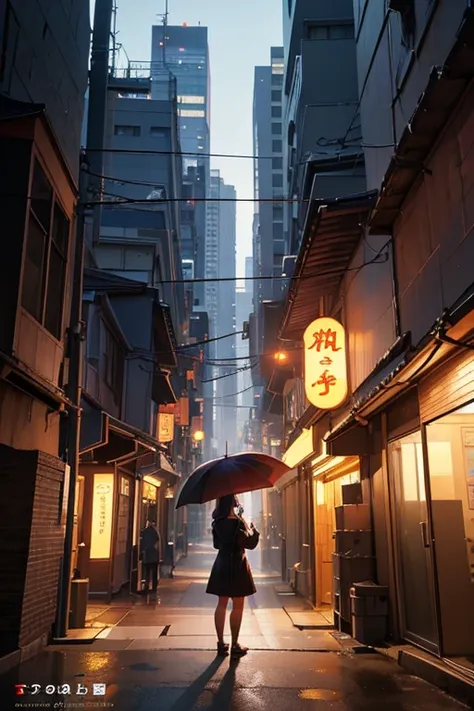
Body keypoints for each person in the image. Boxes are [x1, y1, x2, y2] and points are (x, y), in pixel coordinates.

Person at [206, 494, 260, 658]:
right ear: (233, 502)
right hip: (237, 564)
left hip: (222, 563)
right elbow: (249, 544)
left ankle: (221, 643)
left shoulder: (217, 523)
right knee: (238, 606)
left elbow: (217, 545)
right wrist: (252, 528)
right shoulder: (238, 522)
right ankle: (235, 644)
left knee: (221, 604)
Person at [140, 520, 161, 593]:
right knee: (154, 573)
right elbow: (157, 542)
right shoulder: (155, 532)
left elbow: (142, 542)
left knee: (147, 573)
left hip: (147, 555)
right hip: (154, 556)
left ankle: (146, 586)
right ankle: (154, 588)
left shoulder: (144, 532)